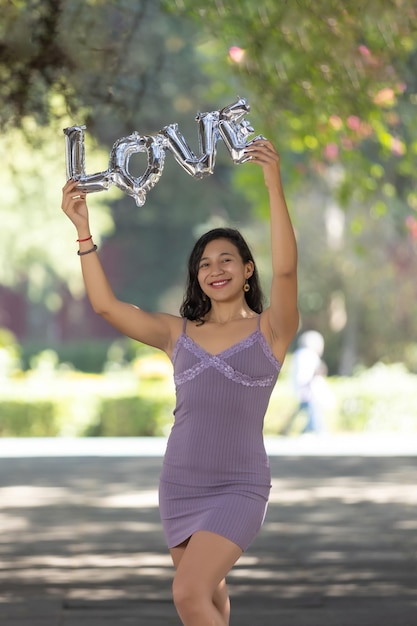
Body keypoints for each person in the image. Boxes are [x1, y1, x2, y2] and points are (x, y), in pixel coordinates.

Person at [61, 138, 298, 626]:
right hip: (181, 483)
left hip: (240, 485)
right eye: (205, 263)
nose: (216, 269)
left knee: (188, 593)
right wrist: (83, 231)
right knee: (209, 600)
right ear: (197, 276)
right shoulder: (178, 334)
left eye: (227, 259)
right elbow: (107, 306)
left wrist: (273, 184)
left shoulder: (272, 330)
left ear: (248, 270)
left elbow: (290, 269)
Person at [281, 330, 328, 435]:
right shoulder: (307, 355)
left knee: (304, 408)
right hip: (307, 388)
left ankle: (295, 429)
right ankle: (316, 429)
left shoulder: (300, 354)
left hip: (303, 388)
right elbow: (306, 374)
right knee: (313, 408)